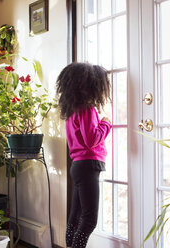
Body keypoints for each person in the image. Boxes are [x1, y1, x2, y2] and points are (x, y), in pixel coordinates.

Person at [56, 62, 112, 248]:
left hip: (78, 166)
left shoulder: (72, 110)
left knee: (75, 216)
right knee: (89, 219)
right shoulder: (87, 109)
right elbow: (91, 139)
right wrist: (106, 124)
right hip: (88, 165)